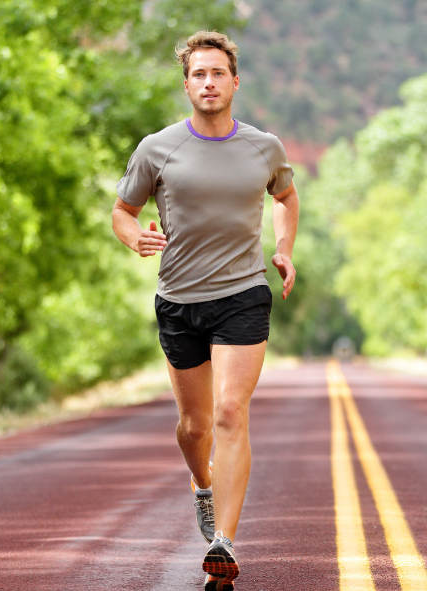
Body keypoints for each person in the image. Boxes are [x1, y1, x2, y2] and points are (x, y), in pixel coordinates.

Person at [111, 31, 299, 591]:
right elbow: (123, 210)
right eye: (198, 74)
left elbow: (285, 197)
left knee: (229, 413)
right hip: (179, 303)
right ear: (187, 83)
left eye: (218, 73)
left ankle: (225, 542)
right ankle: (202, 486)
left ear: (235, 81)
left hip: (242, 295)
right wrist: (134, 239)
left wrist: (283, 248)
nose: (209, 82)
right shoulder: (157, 148)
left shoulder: (264, 147)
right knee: (195, 429)